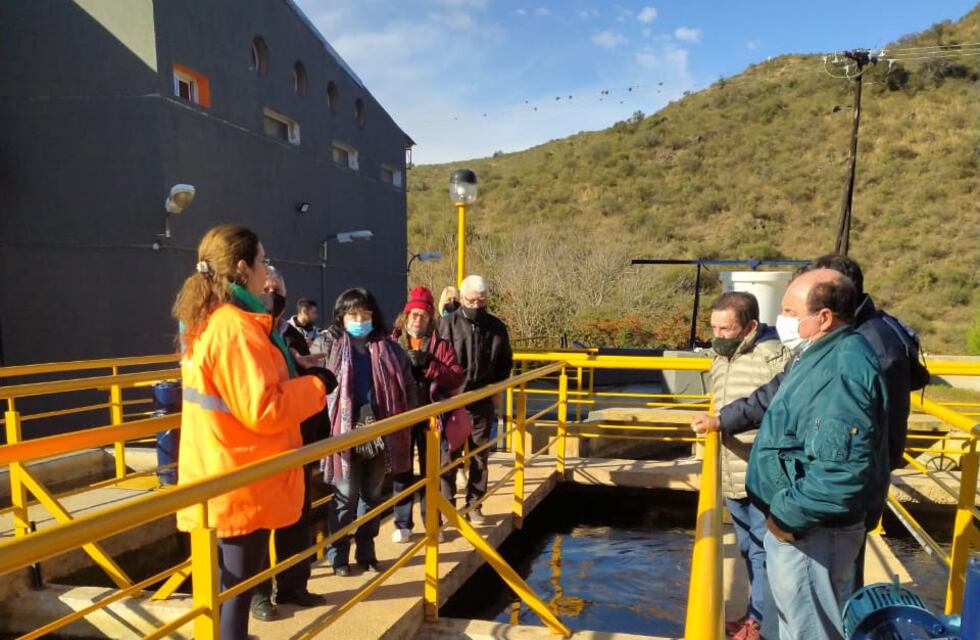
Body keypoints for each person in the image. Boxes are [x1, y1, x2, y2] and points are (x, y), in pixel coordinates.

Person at [172, 224, 335, 640]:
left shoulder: (212, 321)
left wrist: (273, 312)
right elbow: (264, 407)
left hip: (222, 472)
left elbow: (248, 383)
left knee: (231, 592)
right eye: (263, 261)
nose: (268, 269)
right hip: (239, 479)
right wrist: (318, 385)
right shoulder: (233, 328)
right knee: (235, 595)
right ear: (243, 268)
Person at [745, 269, 889, 640]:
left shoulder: (840, 367)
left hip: (811, 532)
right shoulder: (821, 355)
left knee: (811, 632)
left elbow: (839, 473)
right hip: (807, 528)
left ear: (823, 317)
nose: (782, 320)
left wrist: (786, 517)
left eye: (790, 311)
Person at [696, 292, 791, 640]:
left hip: (762, 473)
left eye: (725, 328)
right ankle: (756, 616)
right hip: (731, 472)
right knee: (749, 548)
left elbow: (776, 409)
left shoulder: (773, 358)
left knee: (766, 552)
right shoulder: (722, 356)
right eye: (714, 328)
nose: (717, 335)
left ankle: (764, 626)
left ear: (750, 326)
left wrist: (725, 422)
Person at [319, 288, 417, 575]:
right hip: (343, 437)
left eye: (365, 313)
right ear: (341, 316)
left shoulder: (389, 348)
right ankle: (337, 557)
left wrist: (406, 418)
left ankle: (367, 552)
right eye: (353, 313)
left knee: (371, 497)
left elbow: (408, 384)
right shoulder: (329, 346)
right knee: (344, 497)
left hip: (380, 434)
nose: (359, 318)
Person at [252, 293, 331, 621]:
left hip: (297, 443)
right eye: (267, 285)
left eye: (277, 288)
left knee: (297, 519)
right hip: (262, 450)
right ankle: (259, 596)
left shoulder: (285, 335)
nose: (272, 294)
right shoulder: (251, 336)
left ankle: (292, 586)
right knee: (259, 525)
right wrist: (314, 384)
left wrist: (304, 369)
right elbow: (264, 397)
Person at [390, 286, 465, 543]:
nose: (417, 319)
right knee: (401, 468)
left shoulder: (440, 345)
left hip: (431, 415)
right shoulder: (392, 342)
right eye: (413, 314)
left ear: (430, 318)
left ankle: (432, 520)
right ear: (405, 315)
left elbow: (456, 375)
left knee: (430, 472)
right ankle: (402, 523)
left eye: (423, 315)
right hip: (400, 415)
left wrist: (430, 365)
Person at [436, 275, 513, 524]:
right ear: (462, 297)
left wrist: (494, 389)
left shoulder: (496, 327)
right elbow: (435, 363)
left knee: (480, 456)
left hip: (481, 400)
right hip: (451, 402)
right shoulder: (445, 325)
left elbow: (505, 363)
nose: (477, 305)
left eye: (481, 300)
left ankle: (475, 505)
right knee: (448, 458)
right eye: (472, 300)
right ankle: (447, 507)